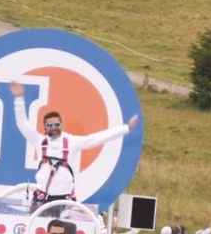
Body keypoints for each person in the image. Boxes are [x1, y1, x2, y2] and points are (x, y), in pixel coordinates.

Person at [9, 81, 140, 208]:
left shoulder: (72, 142)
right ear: (44, 127)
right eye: (49, 125)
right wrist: (19, 99)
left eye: (57, 124)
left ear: (61, 125)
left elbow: (97, 138)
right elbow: (23, 124)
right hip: (41, 198)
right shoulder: (39, 141)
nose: (53, 127)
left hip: (65, 200)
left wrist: (126, 129)